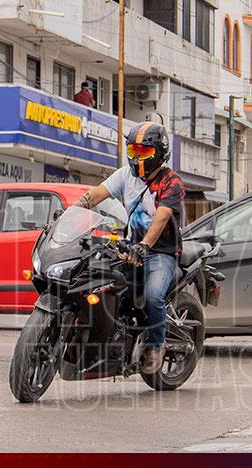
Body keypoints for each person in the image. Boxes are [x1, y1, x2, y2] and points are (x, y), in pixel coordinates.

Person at [73, 121, 185, 375]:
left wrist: (145, 245)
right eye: (133, 151)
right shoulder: (125, 175)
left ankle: (157, 345)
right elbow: (97, 194)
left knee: (153, 296)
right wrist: (72, 210)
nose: (137, 157)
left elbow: (162, 216)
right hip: (129, 248)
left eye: (144, 152)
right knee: (101, 285)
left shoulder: (171, 182)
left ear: (160, 152)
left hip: (161, 253)